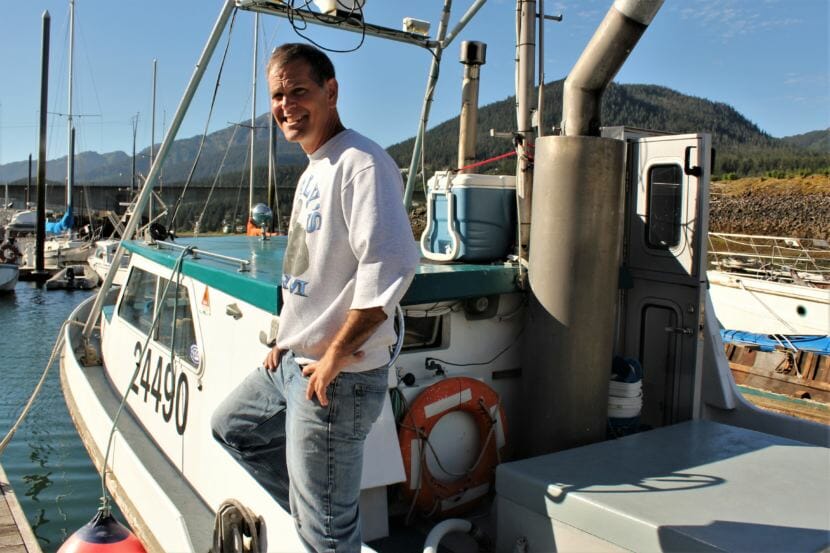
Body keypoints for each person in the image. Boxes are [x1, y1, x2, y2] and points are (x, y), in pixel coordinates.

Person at [211, 43, 419, 552]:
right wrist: (287, 338)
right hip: (292, 361)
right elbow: (313, 270)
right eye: (278, 95)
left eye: (298, 91)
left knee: (328, 538)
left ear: (331, 91)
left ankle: (321, 522)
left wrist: (334, 354)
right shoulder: (314, 168)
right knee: (231, 428)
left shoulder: (361, 163)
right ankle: (315, 511)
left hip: (333, 381)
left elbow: (390, 265)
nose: (286, 105)